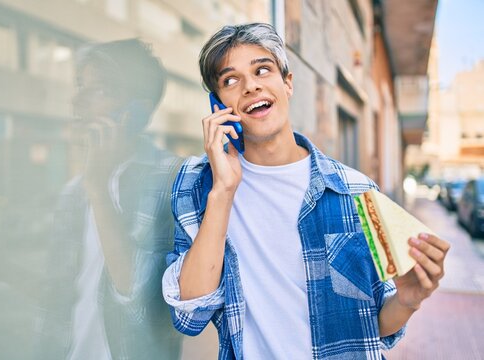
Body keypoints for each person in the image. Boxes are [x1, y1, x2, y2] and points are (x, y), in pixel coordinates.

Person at [162, 23, 450, 359]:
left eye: (262, 70)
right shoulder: (197, 186)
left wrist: (406, 301)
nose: (251, 86)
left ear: (287, 83)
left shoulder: (355, 192)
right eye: (230, 80)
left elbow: (374, 327)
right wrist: (223, 192)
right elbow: (189, 317)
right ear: (218, 105)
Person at [35, 39, 183, 360]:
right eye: (79, 87)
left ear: (136, 113)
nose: (78, 101)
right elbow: (58, 297)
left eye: (99, 90)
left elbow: (142, 300)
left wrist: (99, 189)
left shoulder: (172, 180)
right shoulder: (73, 193)